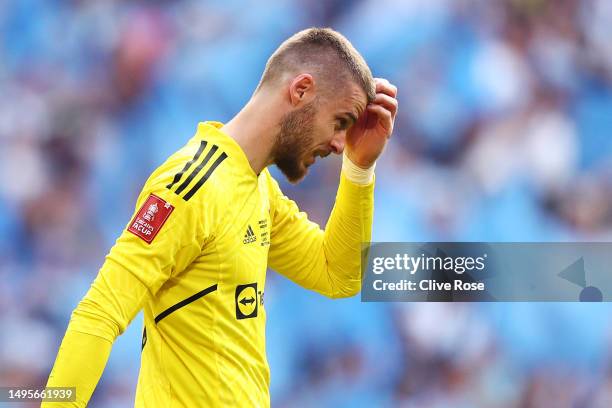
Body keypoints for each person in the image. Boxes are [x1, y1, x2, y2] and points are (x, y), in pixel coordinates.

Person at [43, 27, 398, 407]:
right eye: (340, 122)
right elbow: (100, 312)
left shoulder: (258, 189)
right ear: (301, 90)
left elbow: (337, 274)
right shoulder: (189, 186)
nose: (338, 143)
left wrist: (359, 169)